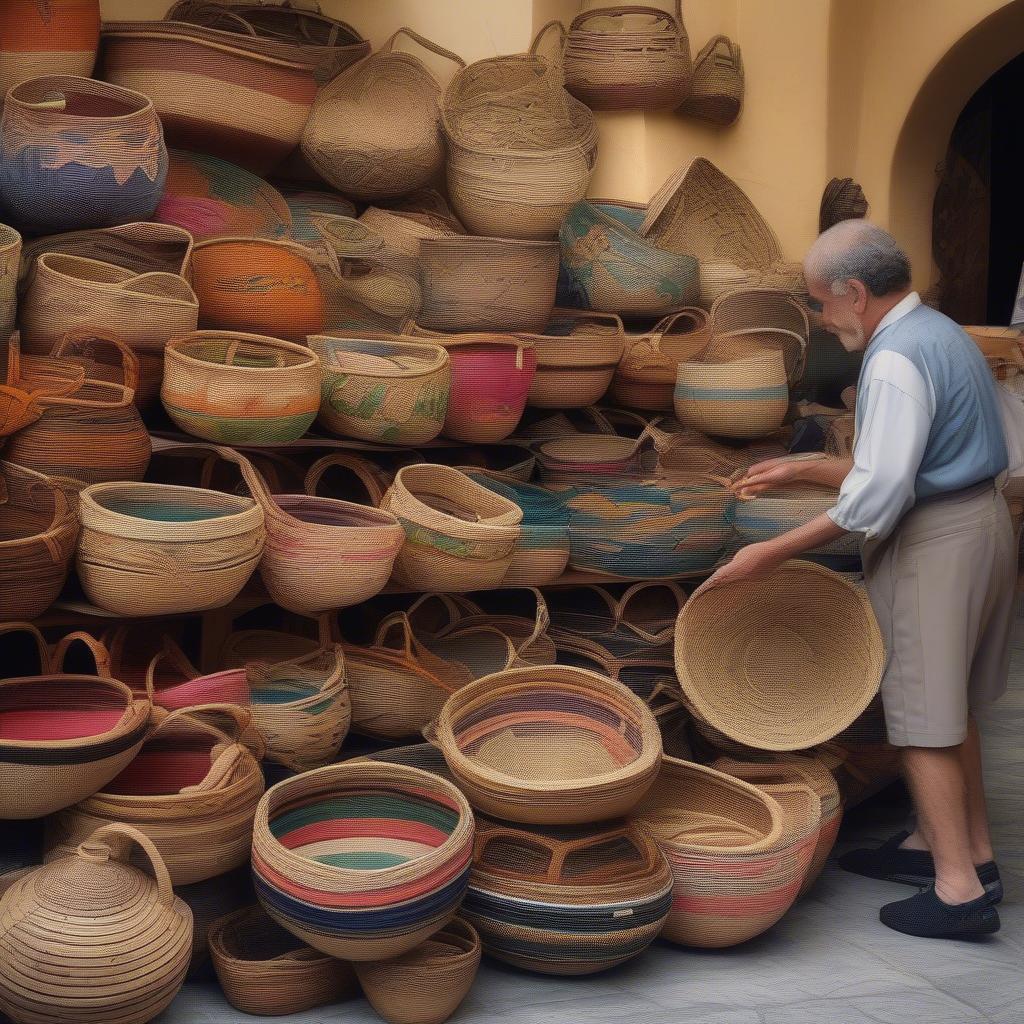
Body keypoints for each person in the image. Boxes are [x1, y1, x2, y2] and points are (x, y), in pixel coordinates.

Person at [702, 221, 1014, 939]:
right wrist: (806, 467)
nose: (819, 317)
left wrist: (768, 555)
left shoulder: (895, 358)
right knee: (954, 699)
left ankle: (959, 893)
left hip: (938, 543)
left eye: (818, 303)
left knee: (922, 716)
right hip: (980, 521)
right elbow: (913, 462)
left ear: (854, 292)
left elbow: (879, 497)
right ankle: (962, 851)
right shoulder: (939, 331)